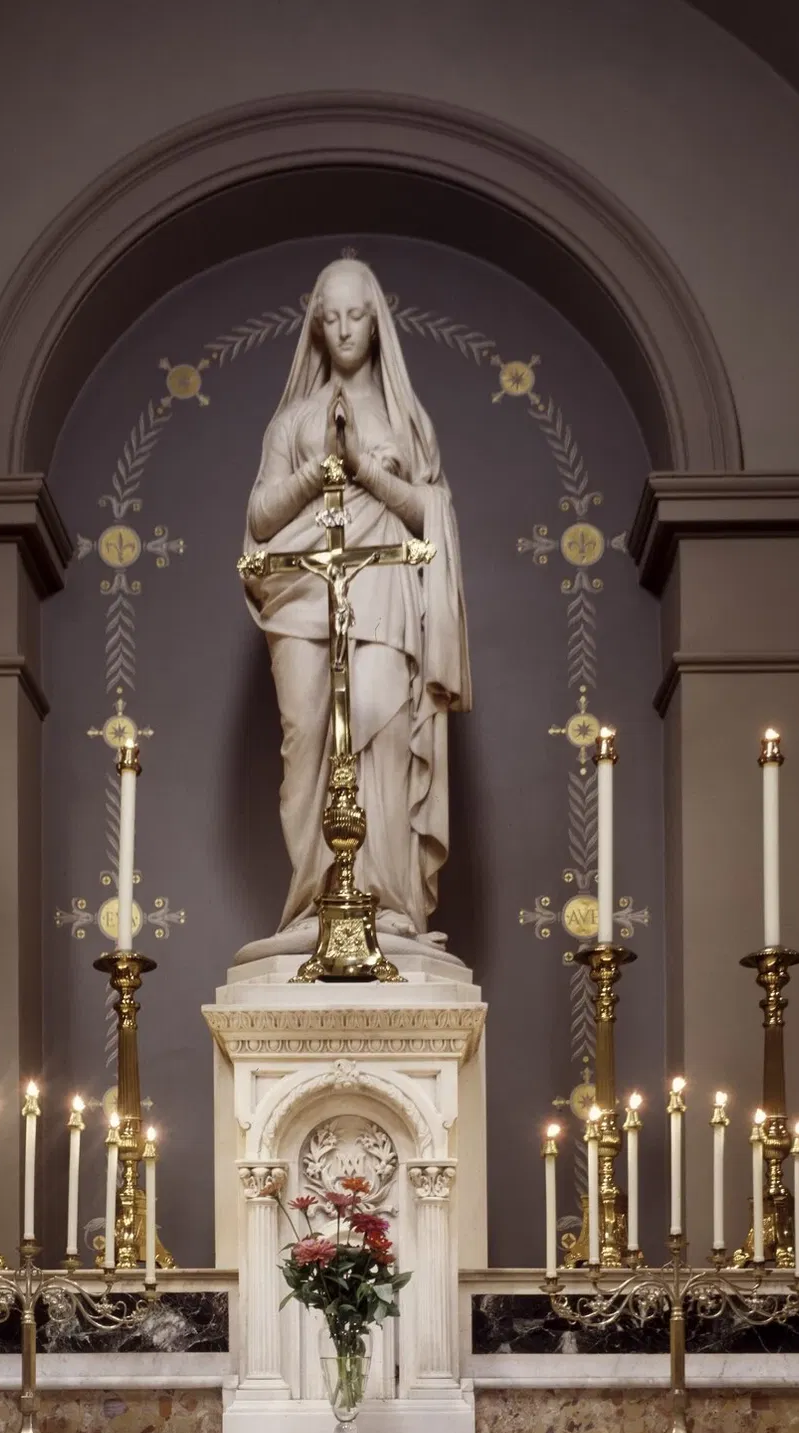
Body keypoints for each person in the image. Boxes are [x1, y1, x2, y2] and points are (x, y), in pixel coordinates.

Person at [243, 258, 471, 941]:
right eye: (331, 317)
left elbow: (431, 513)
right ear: (316, 327)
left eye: (357, 315)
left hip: (382, 582)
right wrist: (322, 470)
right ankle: (317, 903)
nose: (344, 330)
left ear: (378, 322)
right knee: (307, 741)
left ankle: (386, 901)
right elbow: (259, 518)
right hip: (300, 589)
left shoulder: (406, 419)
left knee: (382, 727)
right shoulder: (293, 421)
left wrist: (369, 469)